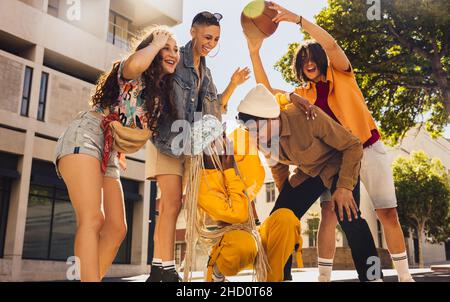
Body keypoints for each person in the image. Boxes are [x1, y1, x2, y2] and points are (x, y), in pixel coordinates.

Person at [245, 1, 414, 283]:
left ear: (322, 60)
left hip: (362, 149)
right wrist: (254, 51)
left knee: (362, 215)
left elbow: (331, 45)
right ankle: (284, 277)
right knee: (298, 215)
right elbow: (266, 92)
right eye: (303, 60)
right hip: (324, 161)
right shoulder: (303, 95)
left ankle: (382, 278)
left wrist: (297, 20)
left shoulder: (342, 75)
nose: (308, 62)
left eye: (313, 57)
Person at [53, 26, 180, 281]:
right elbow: (136, 64)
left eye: (176, 49)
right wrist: (156, 41)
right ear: (152, 48)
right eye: (166, 47)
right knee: (92, 219)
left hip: (108, 150)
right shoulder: (132, 71)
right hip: (86, 136)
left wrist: (119, 149)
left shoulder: (158, 94)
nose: (173, 53)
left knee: (116, 228)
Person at [237, 84, 382, 282]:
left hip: (338, 165)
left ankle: (373, 277)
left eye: (256, 127)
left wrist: (345, 186)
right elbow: (278, 168)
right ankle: (279, 278)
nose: (253, 134)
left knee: (349, 217)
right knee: (280, 219)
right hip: (308, 173)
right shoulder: (261, 139)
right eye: (248, 129)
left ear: (272, 118)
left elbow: (353, 146)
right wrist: (288, 203)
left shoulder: (306, 117)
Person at [146, 12, 251, 282]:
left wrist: (233, 84)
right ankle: (166, 269)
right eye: (207, 37)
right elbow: (151, 87)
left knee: (174, 204)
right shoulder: (174, 58)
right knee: (169, 204)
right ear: (192, 31)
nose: (211, 43)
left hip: (188, 146)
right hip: (167, 140)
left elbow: (214, 109)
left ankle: (159, 268)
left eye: (216, 39)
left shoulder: (205, 71)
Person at [196, 128, 303, 282]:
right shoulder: (203, 185)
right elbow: (238, 214)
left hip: (255, 233)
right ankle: (217, 274)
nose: (224, 142)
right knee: (244, 244)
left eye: (223, 136)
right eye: (216, 141)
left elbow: (255, 175)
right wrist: (229, 172)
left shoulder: (235, 160)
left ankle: (271, 280)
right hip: (231, 246)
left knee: (286, 217)